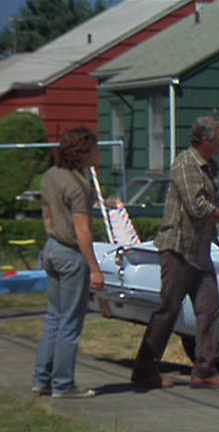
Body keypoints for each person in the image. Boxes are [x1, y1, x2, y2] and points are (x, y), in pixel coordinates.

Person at [131, 116, 219, 390]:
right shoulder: (186, 163)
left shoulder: (211, 167)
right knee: (168, 310)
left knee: (210, 310)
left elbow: (210, 210)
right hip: (179, 249)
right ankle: (144, 370)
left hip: (201, 252)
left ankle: (204, 370)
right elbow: (197, 207)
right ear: (204, 139)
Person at [33, 127, 104, 399]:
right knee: (70, 323)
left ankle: (42, 379)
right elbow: (83, 230)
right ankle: (63, 384)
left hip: (52, 248)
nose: (99, 153)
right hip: (71, 254)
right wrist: (95, 268)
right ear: (83, 152)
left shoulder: (52, 176)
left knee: (54, 317)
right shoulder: (78, 185)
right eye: (95, 149)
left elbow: (49, 214)